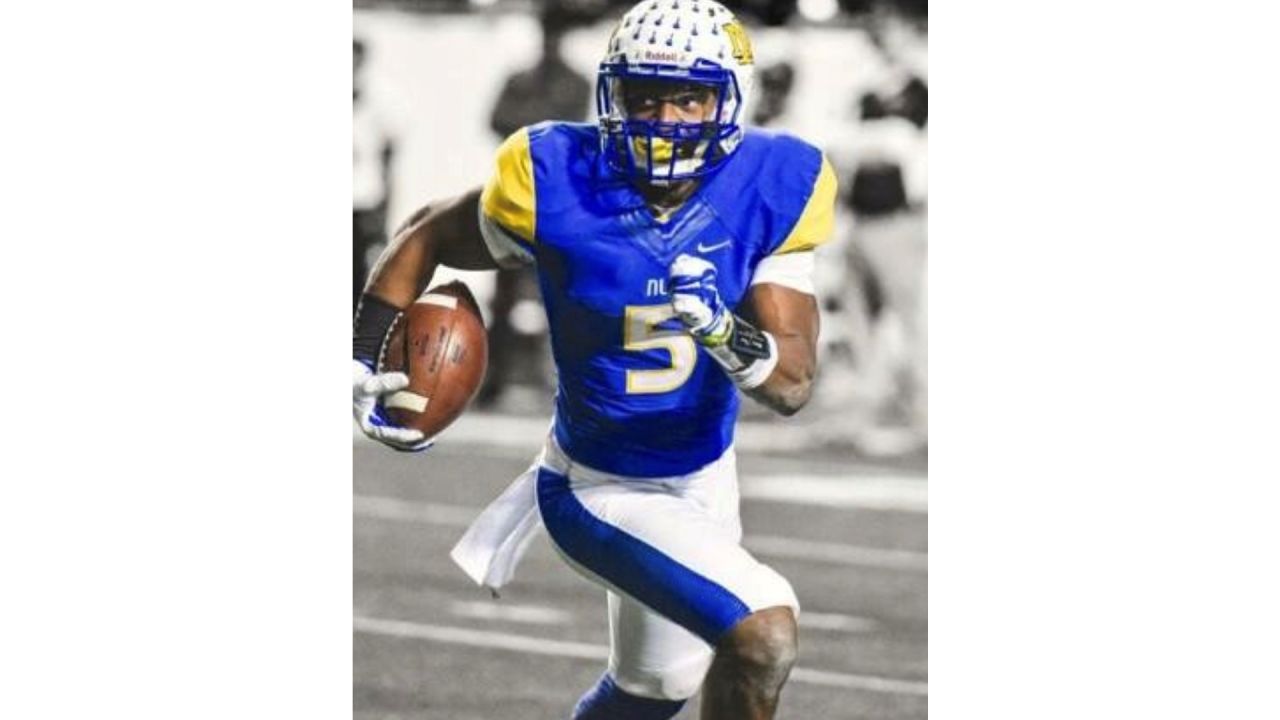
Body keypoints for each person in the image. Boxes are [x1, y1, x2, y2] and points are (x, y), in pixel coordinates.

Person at [352, 2, 837, 717]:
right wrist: (361, 356)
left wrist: (723, 333)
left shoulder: (775, 184)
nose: (664, 117)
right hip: (596, 484)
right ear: (612, 94)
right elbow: (425, 235)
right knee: (764, 630)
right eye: (644, 95)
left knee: (654, 691)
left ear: (729, 99)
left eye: (688, 96)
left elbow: (792, 383)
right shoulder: (557, 180)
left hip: (703, 476)